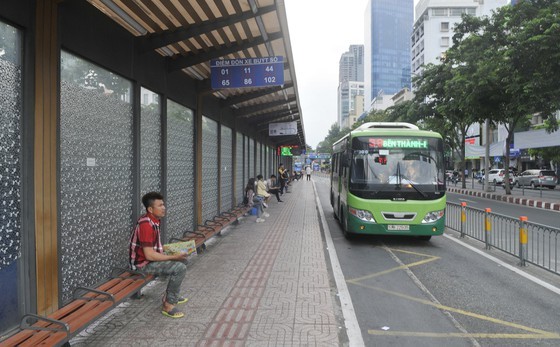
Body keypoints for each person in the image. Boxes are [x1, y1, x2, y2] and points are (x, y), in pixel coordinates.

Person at [129, 192, 188, 319]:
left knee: (183, 261)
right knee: (179, 267)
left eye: (163, 204)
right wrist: (173, 257)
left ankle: (172, 295)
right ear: (150, 209)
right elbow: (149, 255)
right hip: (142, 266)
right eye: (160, 205)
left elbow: (153, 248)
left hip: (149, 261)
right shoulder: (146, 225)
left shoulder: (153, 220)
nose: (164, 207)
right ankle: (168, 304)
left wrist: (174, 252)